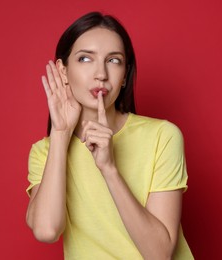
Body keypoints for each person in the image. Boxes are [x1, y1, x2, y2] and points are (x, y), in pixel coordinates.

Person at [26, 11, 193, 259]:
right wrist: (61, 135)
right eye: (85, 59)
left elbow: (160, 254)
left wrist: (109, 169)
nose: (101, 74)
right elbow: (47, 230)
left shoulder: (162, 136)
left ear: (125, 75)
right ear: (63, 71)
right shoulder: (45, 152)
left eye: (114, 61)